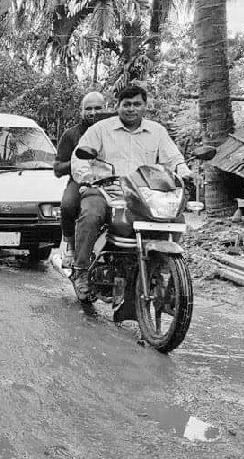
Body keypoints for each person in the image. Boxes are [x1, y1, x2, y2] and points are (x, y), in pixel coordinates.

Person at [70, 85, 193, 301]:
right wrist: (87, 177)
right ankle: (80, 271)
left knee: (176, 216)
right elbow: (79, 158)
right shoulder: (100, 129)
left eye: (137, 104)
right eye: (126, 104)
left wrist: (185, 171)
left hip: (144, 194)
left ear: (145, 106)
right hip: (107, 190)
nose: (131, 109)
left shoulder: (157, 131)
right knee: (91, 214)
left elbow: (173, 158)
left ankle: (167, 271)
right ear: (117, 106)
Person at [54, 91, 106, 268]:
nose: (93, 113)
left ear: (106, 109)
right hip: (80, 180)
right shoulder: (71, 135)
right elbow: (58, 167)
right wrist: (79, 163)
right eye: (88, 109)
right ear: (81, 111)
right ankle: (70, 246)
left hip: (111, 179)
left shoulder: (113, 132)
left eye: (98, 108)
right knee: (67, 205)